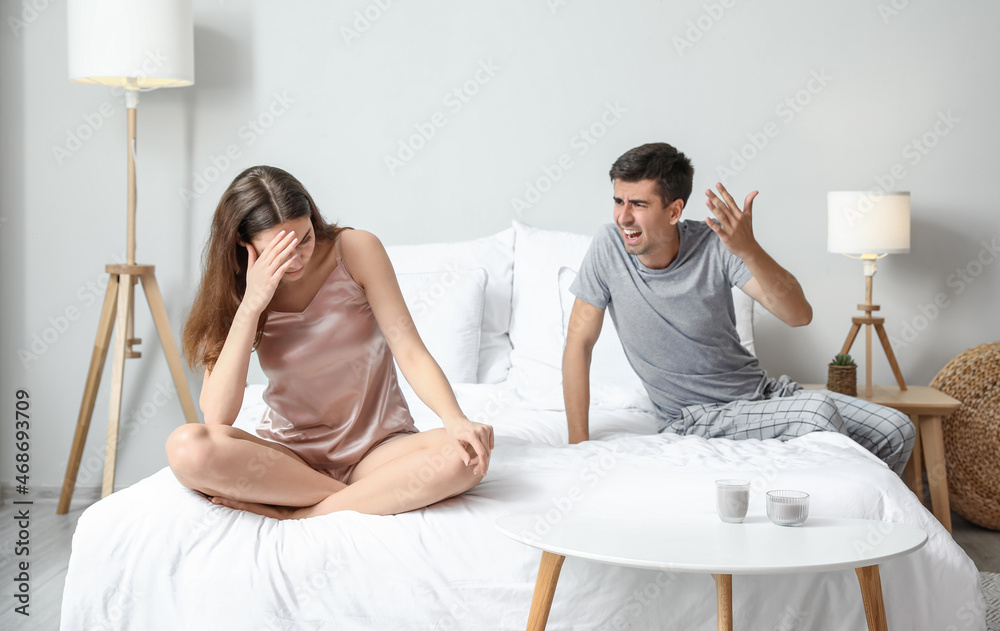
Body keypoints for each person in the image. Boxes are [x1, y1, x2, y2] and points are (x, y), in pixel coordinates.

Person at [563, 143, 915, 476]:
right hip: (694, 416)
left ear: (674, 211)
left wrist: (749, 249)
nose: (623, 216)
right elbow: (579, 343)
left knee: (896, 429)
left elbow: (798, 315)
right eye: (618, 201)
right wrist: (579, 445)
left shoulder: (715, 245)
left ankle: (863, 517)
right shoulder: (608, 248)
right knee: (816, 413)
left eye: (638, 204)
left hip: (762, 394)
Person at [166, 165, 493, 519]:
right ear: (243, 249)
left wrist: (455, 418)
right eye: (278, 252)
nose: (296, 260)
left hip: (378, 450)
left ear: (312, 219)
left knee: (469, 453)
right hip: (290, 459)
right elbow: (217, 416)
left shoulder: (355, 250)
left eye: (303, 240)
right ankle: (370, 496)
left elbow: (410, 351)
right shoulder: (237, 291)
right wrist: (252, 303)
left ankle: (302, 512)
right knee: (187, 448)